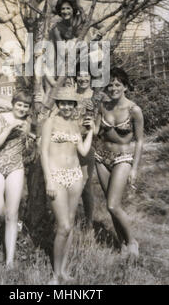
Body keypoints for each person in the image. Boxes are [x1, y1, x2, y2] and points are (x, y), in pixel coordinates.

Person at [41, 87, 95, 284]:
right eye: (62, 103)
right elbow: (44, 152)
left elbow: (82, 150)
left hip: (75, 176)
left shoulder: (74, 125)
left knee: (70, 225)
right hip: (56, 176)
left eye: (69, 103)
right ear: (58, 104)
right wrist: (48, 179)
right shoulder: (50, 122)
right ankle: (55, 275)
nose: (65, 106)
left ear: (74, 106)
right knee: (63, 225)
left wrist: (91, 131)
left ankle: (64, 270)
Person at [95, 67, 144, 257]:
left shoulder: (134, 110)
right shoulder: (103, 106)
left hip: (123, 158)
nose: (113, 88)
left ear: (125, 86)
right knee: (110, 205)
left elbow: (139, 140)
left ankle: (132, 242)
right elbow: (95, 130)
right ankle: (121, 242)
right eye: (110, 84)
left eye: (117, 84)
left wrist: (134, 169)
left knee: (113, 205)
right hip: (101, 157)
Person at [0, 91, 32, 269]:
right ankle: (13, 224)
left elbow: (26, 150)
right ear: (13, 104)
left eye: (26, 106)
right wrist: (9, 128)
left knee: (12, 213)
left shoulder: (27, 123)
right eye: (19, 104)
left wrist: (29, 138)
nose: (22, 108)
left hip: (16, 167)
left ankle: (10, 262)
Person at [72, 71, 96, 228]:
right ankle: (69, 220)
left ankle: (89, 223)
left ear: (91, 78)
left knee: (85, 186)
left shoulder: (96, 96)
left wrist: (94, 111)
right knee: (69, 184)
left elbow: (100, 123)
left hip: (87, 144)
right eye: (79, 76)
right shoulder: (70, 95)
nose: (83, 79)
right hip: (69, 145)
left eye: (86, 76)